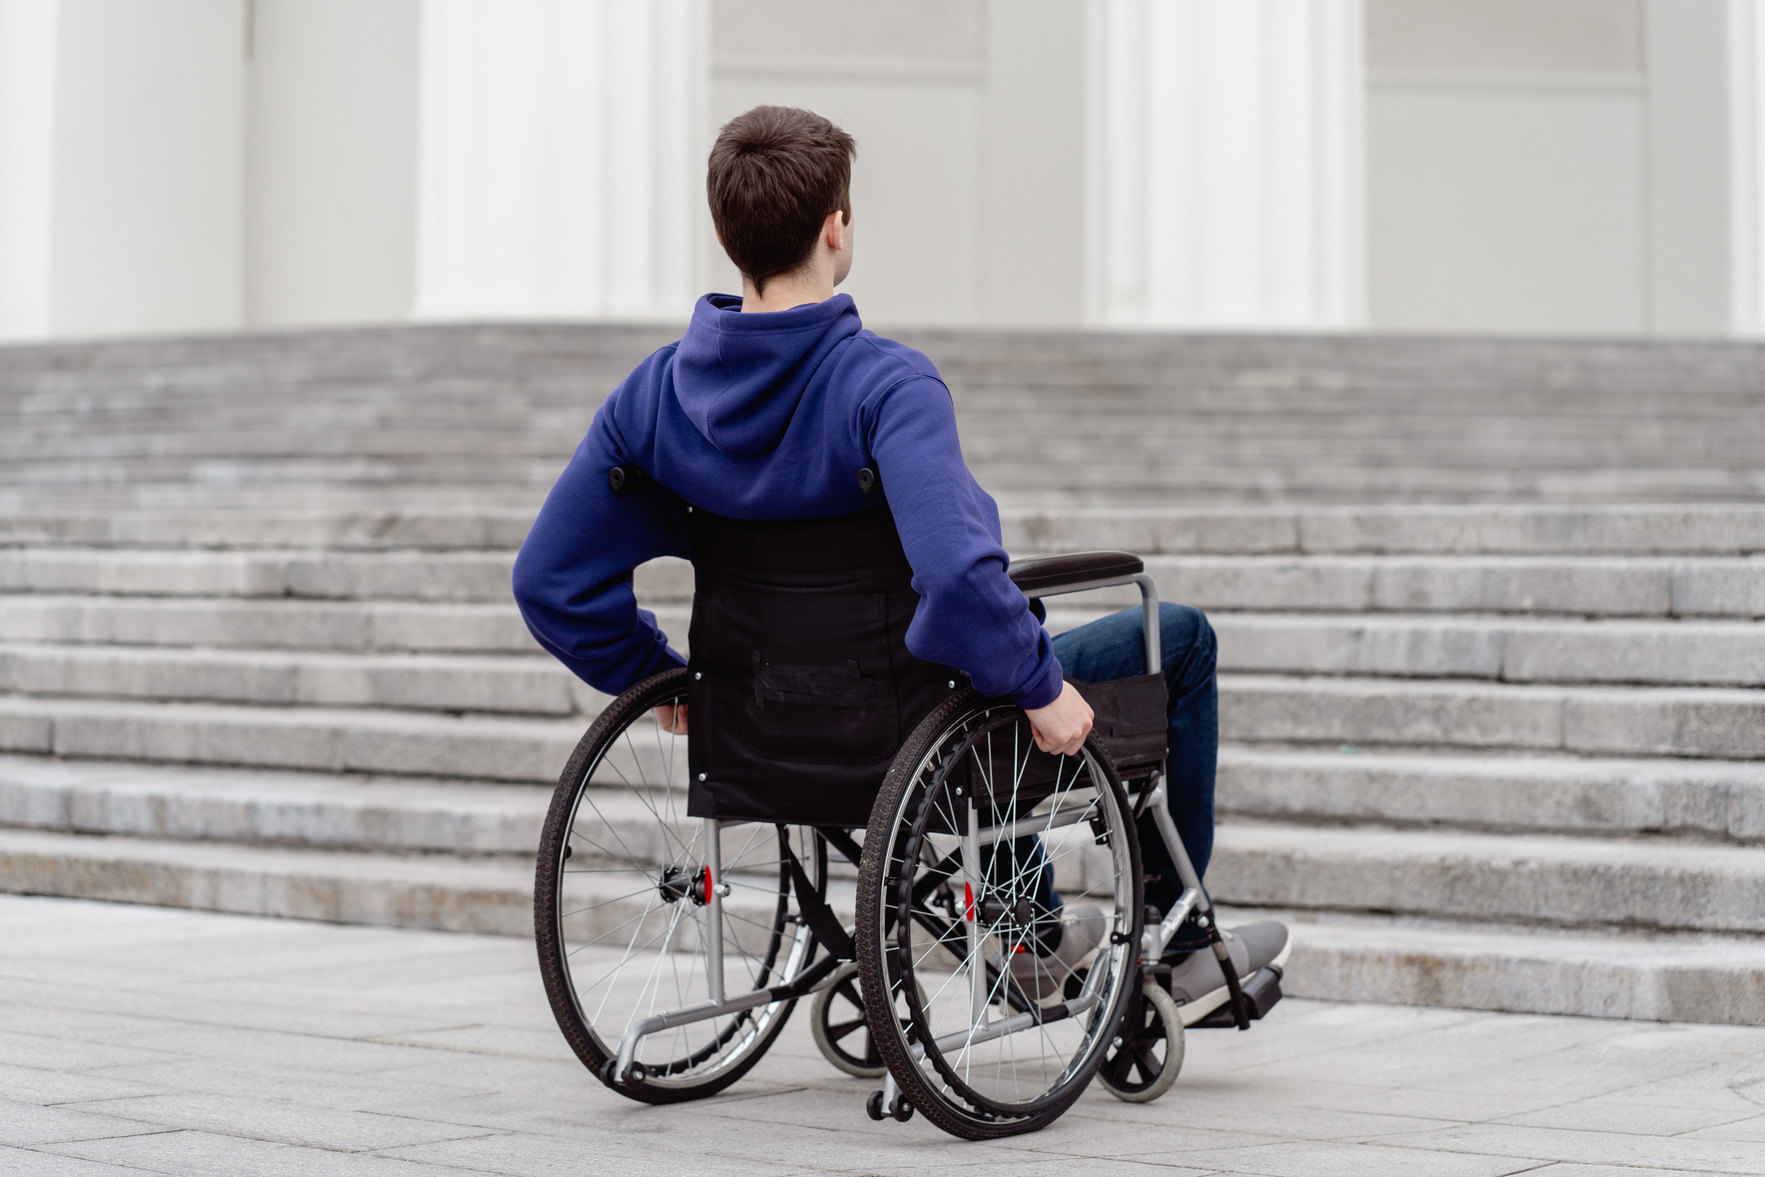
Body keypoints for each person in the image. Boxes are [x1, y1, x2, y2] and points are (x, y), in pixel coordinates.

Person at [512, 105, 1286, 1010]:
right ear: (836, 227)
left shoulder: (651, 398)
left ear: (728, 238)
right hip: (911, 728)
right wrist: (1042, 687)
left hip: (759, 729)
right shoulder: (886, 387)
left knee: (970, 658)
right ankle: (1172, 931)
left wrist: (665, 680)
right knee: (1170, 637)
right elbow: (958, 581)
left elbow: (548, 581)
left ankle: (1029, 929)